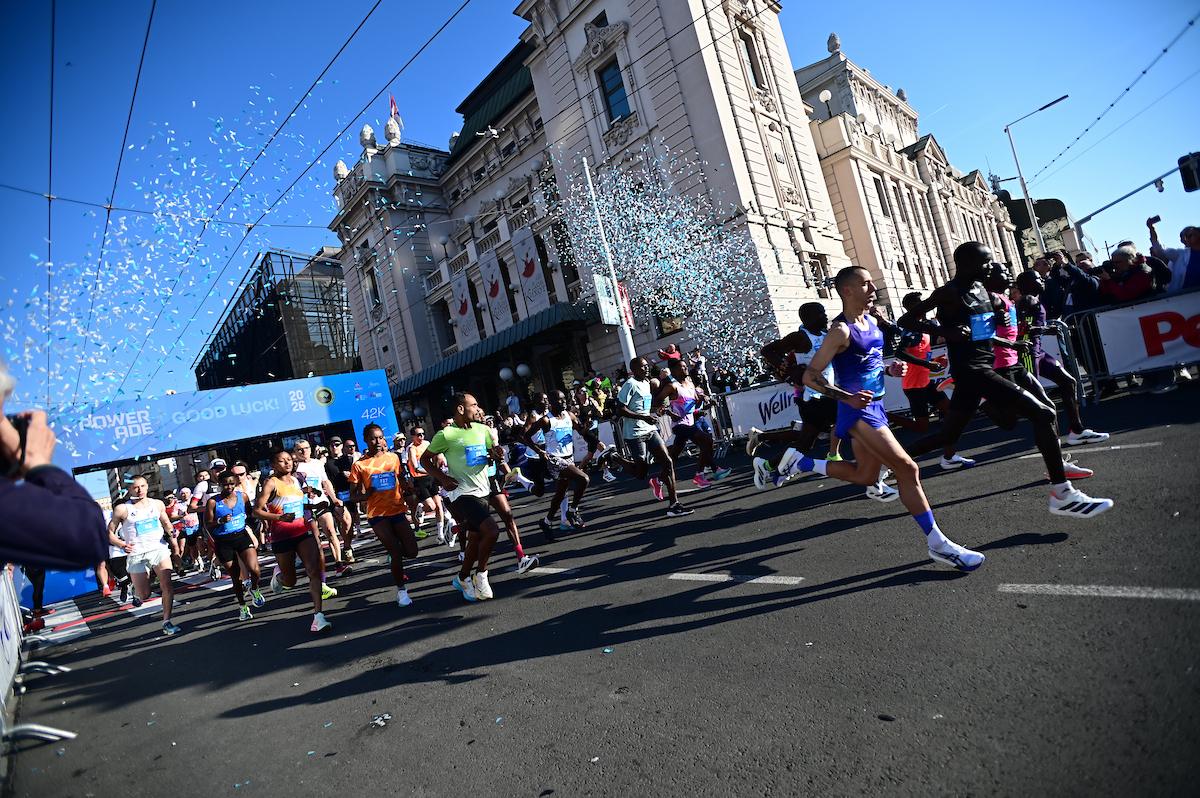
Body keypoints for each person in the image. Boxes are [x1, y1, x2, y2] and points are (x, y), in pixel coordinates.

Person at [769, 266, 986, 571]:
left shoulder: (871, 322)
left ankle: (801, 463)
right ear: (847, 291)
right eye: (866, 284)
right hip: (858, 411)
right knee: (907, 468)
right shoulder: (840, 331)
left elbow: (865, 364)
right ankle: (939, 544)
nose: (874, 289)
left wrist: (889, 370)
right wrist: (847, 398)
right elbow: (810, 376)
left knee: (866, 476)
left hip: (876, 406)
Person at [899, 243, 1113, 518]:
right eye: (985, 262)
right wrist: (944, 330)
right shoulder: (949, 292)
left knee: (947, 436)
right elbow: (907, 320)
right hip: (973, 371)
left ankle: (886, 463)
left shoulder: (983, 292)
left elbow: (981, 334)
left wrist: (1007, 343)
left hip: (982, 369)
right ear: (966, 264)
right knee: (1044, 412)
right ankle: (1062, 493)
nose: (990, 266)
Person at [423, 393, 506, 602]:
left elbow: (490, 453)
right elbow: (425, 460)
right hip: (461, 493)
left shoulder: (482, 429)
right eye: (474, 405)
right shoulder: (446, 435)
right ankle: (481, 575)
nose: (478, 409)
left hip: (482, 491)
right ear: (461, 409)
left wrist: (496, 454)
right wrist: (443, 478)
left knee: (476, 537)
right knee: (492, 530)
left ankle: (462, 577)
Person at [1011, 271, 1109, 445]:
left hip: (1038, 352)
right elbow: (1023, 330)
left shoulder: (1033, 299)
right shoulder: (1028, 300)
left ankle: (1076, 431)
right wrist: (1045, 330)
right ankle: (1050, 443)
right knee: (1038, 400)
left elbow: (1032, 327)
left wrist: (1046, 328)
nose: (1041, 280)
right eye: (1037, 278)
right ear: (1026, 283)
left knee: (1068, 382)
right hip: (1028, 352)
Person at [596, 357, 694, 518]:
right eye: (643, 367)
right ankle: (614, 456)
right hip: (634, 433)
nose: (646, 368)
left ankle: (674, 504)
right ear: (633, 370)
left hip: (650, 429)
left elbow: (646, 408)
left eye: (647, 366)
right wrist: (643, 417)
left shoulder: (647, 383)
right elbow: (621, 409)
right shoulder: (629, 385)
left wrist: (661, 412)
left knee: (668, 462)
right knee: (641, 473)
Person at [254, 448, 335, 633]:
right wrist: (279, 518)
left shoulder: (298, 479)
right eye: (282, 461)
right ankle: (280, 575)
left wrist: (317, 503)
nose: (287, 463)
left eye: (289, 460)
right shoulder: (271, 483)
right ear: (274, 465)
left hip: (302, 531)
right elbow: (256, 511)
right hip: (282, 536)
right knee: (290, 582)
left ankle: (318, 617)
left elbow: (298, 503)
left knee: (314, 570)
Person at [350, 423, 418, 607]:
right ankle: (402, 592)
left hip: (397, 510)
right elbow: (353, 495)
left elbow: (401, 479)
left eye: (380, 437)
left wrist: (408, 488)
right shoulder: (359, 465)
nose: (378, 441)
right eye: (373, 438)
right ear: (365, 440)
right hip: (377, 515)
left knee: (412, 552)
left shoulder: (393, 458)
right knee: (395, 551)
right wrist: (366, 495)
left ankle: (394, 555)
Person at [107, 476, 181, 635]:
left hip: (158, 549)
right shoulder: (122, 509)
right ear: (129, 490)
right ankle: (136, 591)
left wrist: (172, 532)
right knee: (145, 594)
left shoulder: (157, 504)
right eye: (135, 487)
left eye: (142, 486)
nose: (139, 490)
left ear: (147, 487)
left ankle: (167, 621)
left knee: (167, 584)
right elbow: (109, 534)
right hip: (137, 554)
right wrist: (121, 544)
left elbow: (167, 524)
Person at [523, 391, 596, 541]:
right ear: (551, 402)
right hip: (554, 459)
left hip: (569, 458)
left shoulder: (570, 416)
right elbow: (525, 436)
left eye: (564, 399)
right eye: (559, 400)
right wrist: (539, 451)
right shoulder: (545, 420)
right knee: (584, 479)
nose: (563, 402)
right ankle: (572, 510)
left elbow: (582, 430)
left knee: (561, 493)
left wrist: (592, 438)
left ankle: (546, 521)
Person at [657, 358, 731, 487]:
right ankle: (700, 475)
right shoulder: (672, 386)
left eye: (686, 366)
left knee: (674, 455)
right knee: (706, 440)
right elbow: (657, 402)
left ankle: (658, 481)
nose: (685, 369)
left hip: (690, 422)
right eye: (682, 367)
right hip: (680, 425)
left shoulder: (690, 383)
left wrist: (706, 400)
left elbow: (696, 403)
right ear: (674, 370)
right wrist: (667, 411)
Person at [204, 472, 265, 621]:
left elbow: (250, 514)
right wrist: (220, 521)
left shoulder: (242, 497)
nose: (229, 486)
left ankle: (255, 589)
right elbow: (208, 524)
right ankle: (243, 607)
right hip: (224, 542)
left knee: (255, 569)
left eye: (232, 483)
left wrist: (257, 525)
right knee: (236, 577)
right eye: (225, 484)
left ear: (236, 482)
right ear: (220, 484)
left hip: (241, 536)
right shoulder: (213, 502)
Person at [292, 439, 349, 574]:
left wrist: (334, 499)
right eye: (299, 449)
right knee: (316, 539)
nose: (303, 451)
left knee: (331, 532)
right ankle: (319, 569)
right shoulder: (294, 468)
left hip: (322, 503)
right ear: (295, 452)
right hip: (306, 507)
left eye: (306, 448)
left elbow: (325, 482)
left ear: (310, 449)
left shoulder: (318, 464)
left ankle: (339, 564)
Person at [404, 426, 450, 544]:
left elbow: (435, 456)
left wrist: (439, 463)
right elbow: (415, 467)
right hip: (420, 480)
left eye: (423, 434)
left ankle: (440, 535)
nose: (421, 437)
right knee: (431, 506)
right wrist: (431, 470)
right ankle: (422, 508)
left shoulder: (427, 443)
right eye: (418, 435)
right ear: (413, 436)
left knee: (439, 506)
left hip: (431, 478)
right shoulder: (411, 449)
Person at [324, 437, 357, 563]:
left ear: (342, 445)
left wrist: (350, 475)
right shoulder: (327, 463)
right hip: (337, 496)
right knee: (346, 521)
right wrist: (333, 498)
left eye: (337, 444)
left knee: (351, 524)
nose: (334, 447)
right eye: (332, 445)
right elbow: (326, 482)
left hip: (350, 494)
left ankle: (347, 546)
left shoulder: (348, 459)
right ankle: (347, 549)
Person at [1148, 219, 1200, 293]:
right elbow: (1159, 251)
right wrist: (1151, 229)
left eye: (1191, 234)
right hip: (1180, 298)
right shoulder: (1179, 254)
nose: (1188, 238)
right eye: (1186, 236)